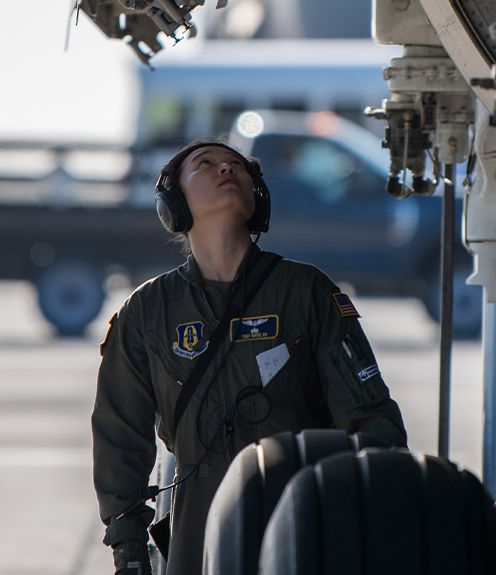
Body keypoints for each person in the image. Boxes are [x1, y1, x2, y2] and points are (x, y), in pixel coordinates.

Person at [92, 139, 407, 575]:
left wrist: (366, 518)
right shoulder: (147, 311)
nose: (226, 169)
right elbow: (119, 435)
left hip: (299, 521)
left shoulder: (307, 292)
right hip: (196, 533)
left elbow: (371, 421)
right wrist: (128, 547)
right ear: (174, 205)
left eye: (236, 165)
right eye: (206, 164)